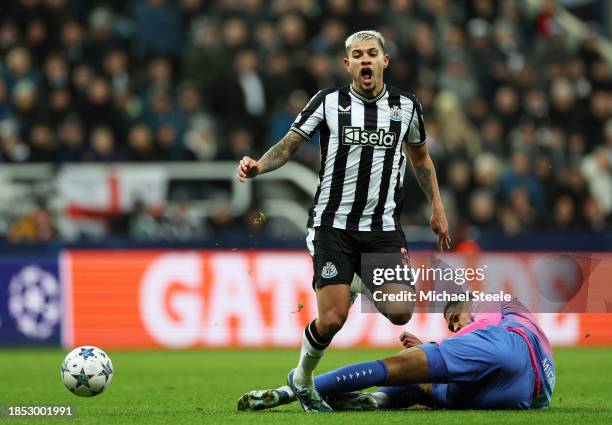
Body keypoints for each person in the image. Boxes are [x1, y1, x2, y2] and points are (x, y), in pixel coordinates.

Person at [236, 30, 450, 412]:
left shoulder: (406, 107)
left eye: (372, 53)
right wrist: (259, 166)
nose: (365, 60)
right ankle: (301, 379)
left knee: (401, 311)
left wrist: (438, 206)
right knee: (332, 318)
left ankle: (354, 279)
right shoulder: (328, 102)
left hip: (382, 228)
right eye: (357, 54)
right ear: (347, 64)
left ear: (385, 61)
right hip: (332, 225)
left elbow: (420, 159)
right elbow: (290, 143)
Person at [237, 297, 556, 411]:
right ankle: (376, 401)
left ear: (464, 310)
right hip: (532, 392)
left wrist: (430, 350)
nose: (454, 330)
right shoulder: (515, 312)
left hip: (507, 351)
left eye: (453, 322)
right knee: (433, 393)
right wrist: (436, 347)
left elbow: (479, 337)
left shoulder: (484, 306)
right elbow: (477, 344)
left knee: (398, 367)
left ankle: (288, 391)